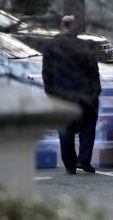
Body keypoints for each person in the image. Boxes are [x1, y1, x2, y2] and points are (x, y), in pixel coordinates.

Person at [42, 15, 101, 175]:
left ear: (61, 27)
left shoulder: (50, 47)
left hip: (62, 95)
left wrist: (51, 94)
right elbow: (93, 72)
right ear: (74, 27)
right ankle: (84, 160)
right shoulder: (85, 46)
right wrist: (96, 92)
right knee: (88, 126)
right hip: (84, 94)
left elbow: (47, 74)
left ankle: (70, 165)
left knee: (66, 129)